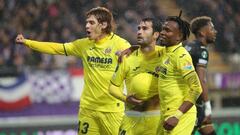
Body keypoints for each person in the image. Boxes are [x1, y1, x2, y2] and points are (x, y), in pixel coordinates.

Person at [15, 7, 131, 135]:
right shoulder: (83, 45)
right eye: (86, 22)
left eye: (91, 23)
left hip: (112, 111)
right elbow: (56, 48)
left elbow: (135, 69)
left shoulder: (121, 45)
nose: (87, 26)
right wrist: (28, 42)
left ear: (103, 25)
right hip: (88, 109)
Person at [109, 18, 164, 135]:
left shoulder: (166, 55)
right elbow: (113, 87)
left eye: (145, 29)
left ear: (156, 35)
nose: (139, 31)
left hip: (156, 120)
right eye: (139, 28)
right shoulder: (127, 58)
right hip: (131, 119)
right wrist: (126, 98)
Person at [156, 12, 202, 135]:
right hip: (166, 113)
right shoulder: (165, 51)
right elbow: (146, 49)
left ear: (179, 36)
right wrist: (131, 49)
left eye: (167, 30)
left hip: (179, 116)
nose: (162, 33)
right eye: (162, 29)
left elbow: (196, 88)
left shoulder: (181, 56)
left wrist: (177, 116)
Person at [184, 16, 217, 135]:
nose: (215, 31)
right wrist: (208, 107)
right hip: (192, 105)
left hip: (189, 102)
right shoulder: (201, 51)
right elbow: (201, 79)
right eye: (212, 28)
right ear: (202, 33)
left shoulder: (188, 46)